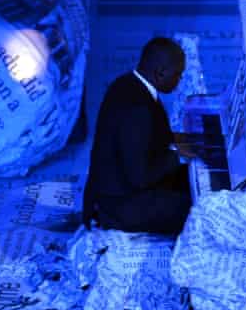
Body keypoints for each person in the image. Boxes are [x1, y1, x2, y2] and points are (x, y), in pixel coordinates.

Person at [82, 36, 192, 235]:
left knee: (188, 178)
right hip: (117, 206)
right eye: (178, 74)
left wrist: (179, 140)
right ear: (160, 73)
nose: (180, 80)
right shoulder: (138, 108)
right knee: (196, 208)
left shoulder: (127, 84)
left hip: (116, 191)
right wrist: (179, 153)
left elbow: (147, 138)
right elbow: (139, 178)